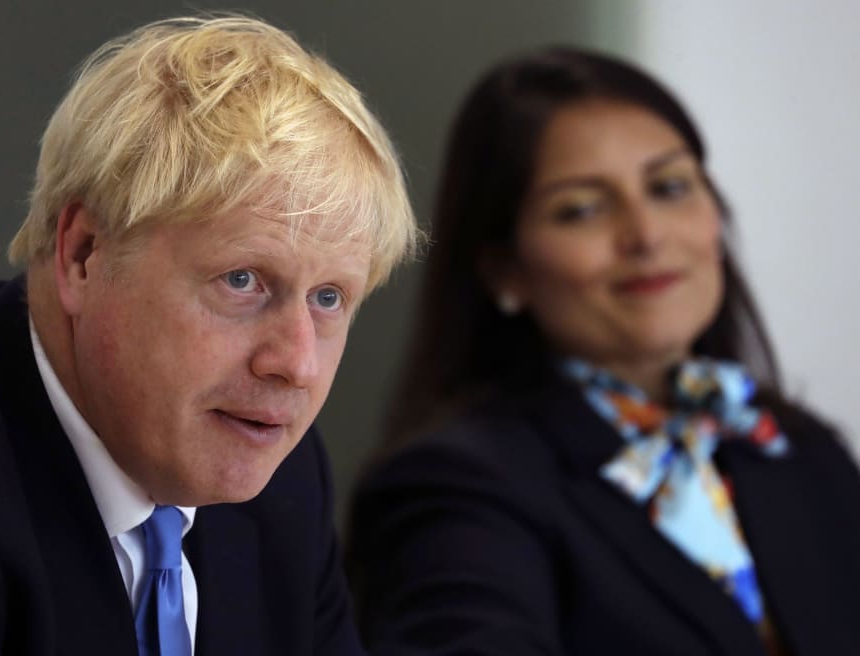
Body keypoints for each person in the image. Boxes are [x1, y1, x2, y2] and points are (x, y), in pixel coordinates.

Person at [0, 15, 417, 655]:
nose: (296, 363)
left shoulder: (279, 479)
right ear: (83, 254)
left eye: (329, 298)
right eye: (242, 280)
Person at [347, 47, 860, 656]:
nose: (645, 235)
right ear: (504, 268)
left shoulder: (796, 450)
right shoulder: (454, 489)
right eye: (582, 209)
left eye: (669, 187)